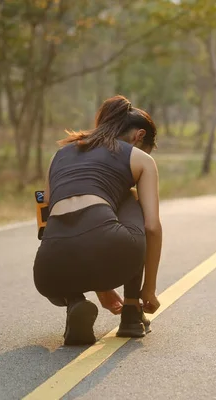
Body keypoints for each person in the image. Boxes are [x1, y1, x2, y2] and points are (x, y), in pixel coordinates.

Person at [32, 95, 162, 346]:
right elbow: (152, 226)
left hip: (48, 272)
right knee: (130, 196)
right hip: (111, 247)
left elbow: (47, 208)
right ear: (139, 136)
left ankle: (75, 303)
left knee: (67, 218)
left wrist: (101, 287)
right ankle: (132, 313)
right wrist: (149, 289)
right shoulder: (140, 159)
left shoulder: (60, 154)